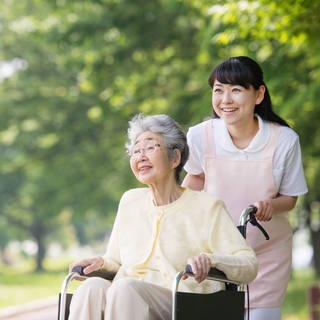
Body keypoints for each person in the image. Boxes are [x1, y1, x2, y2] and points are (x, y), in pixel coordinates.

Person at [68, 114, 258, 320]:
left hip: (184, 303)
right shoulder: (130, 201)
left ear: (174, 158)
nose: (140, 156)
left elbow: (249, 264)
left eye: (149, 148)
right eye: (135, 150)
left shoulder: (206, 206)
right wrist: (101, 263)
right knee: (93, 286)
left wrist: (211, 260)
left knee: (125, 288)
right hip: (126, 297)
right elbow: (115, 260)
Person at [182, 56, 308, 320]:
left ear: (258, 94)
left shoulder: (284, 140)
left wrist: (270, 205)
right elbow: (195, 179)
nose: (225, 99)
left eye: (236, 90)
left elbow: (291, 197)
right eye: (219, 90)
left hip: (266, 254)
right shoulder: (199, 135)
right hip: (212, 254)